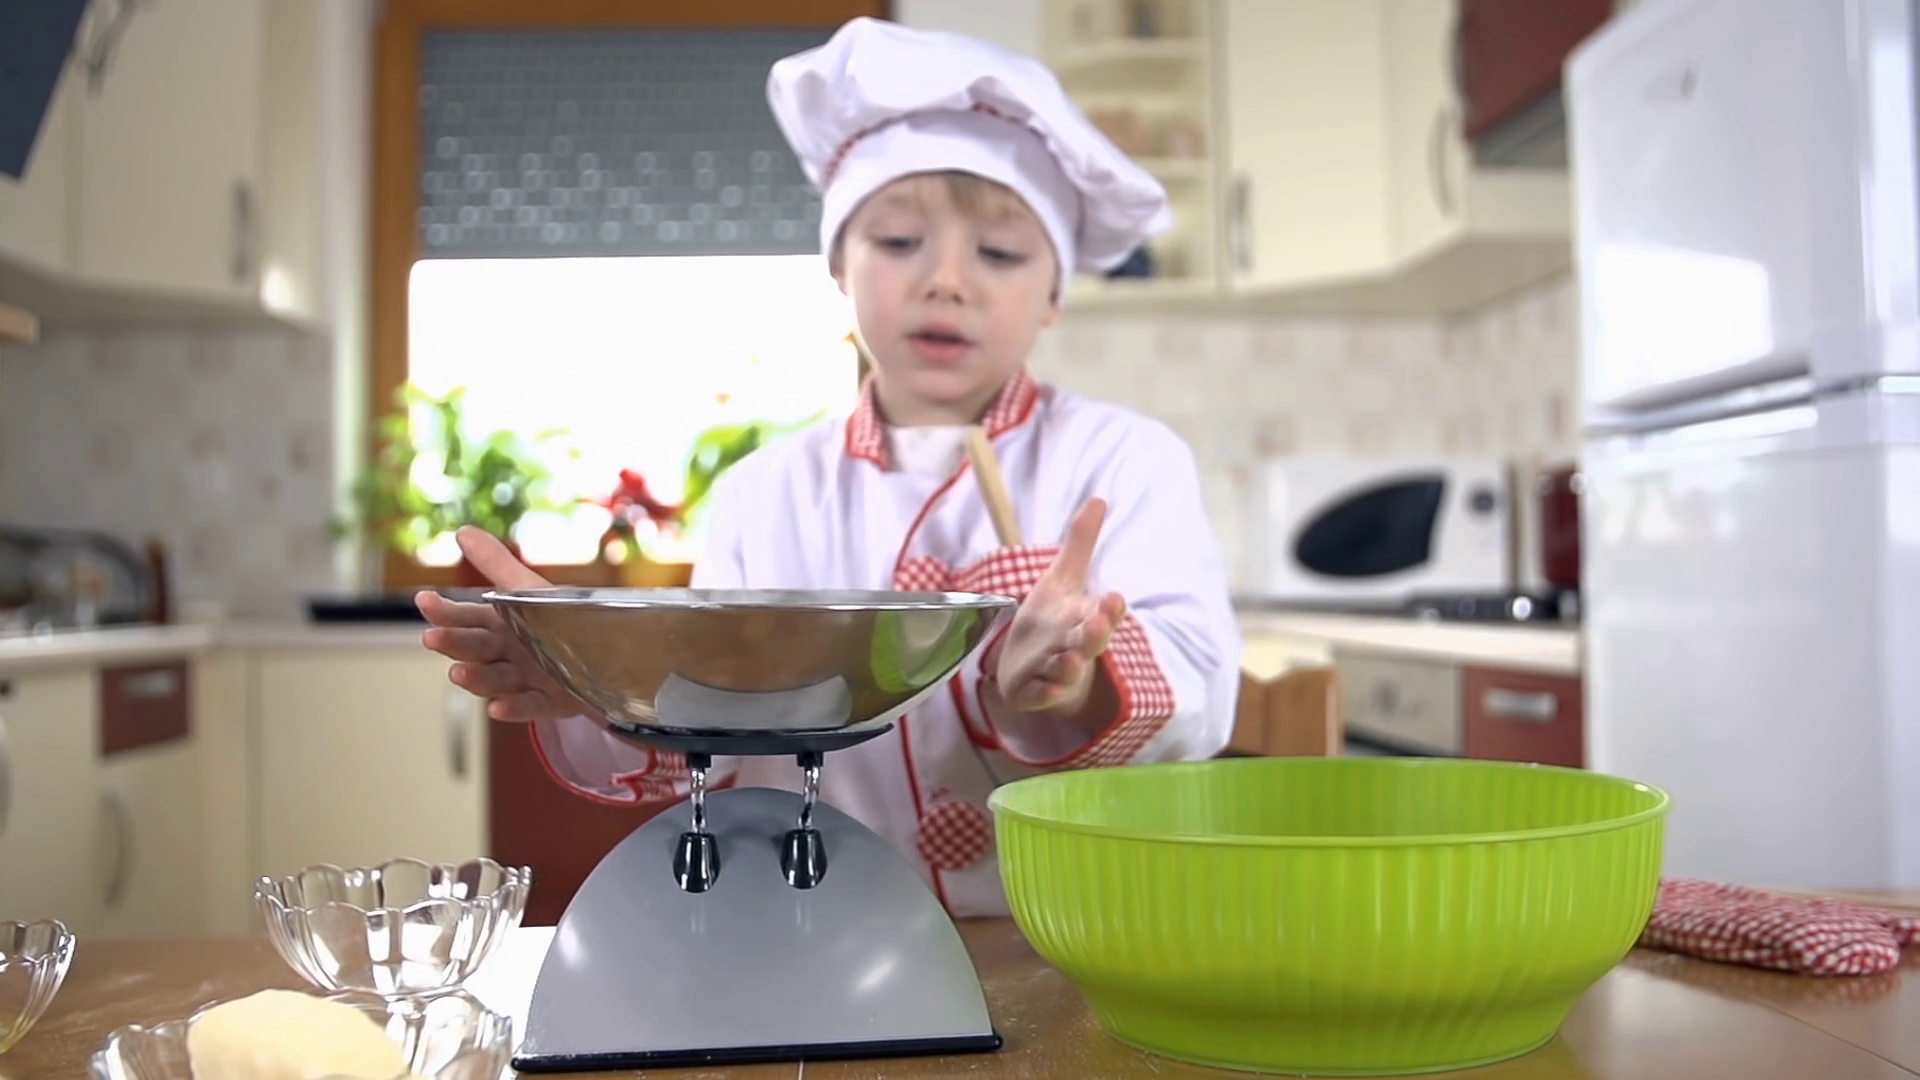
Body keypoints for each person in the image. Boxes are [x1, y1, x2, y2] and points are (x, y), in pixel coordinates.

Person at [418, 16, 1243, 917]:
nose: (947, 282)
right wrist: (594, 680)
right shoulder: (764, 495)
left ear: (1054, 294)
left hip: (1064, 937)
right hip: (811, 929)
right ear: (838, 268)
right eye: (896, 242)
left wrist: (1082, 675)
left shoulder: (1124, 460)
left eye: (1000, 253)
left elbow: (1203, 689)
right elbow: (710, 735)